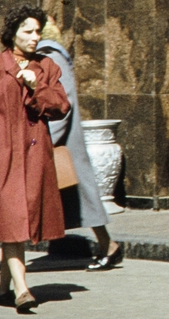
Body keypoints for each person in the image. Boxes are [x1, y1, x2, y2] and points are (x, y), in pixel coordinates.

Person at [0, 4, 71, 313]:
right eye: (27, 31)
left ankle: (2, 288)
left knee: (20, 219)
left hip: (35, 154)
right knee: (12, 219)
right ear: (12, 34)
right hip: (2, 155)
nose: (34, 37)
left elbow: (60, 107)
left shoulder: (47, 67)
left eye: (38, 31)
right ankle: (22, 289)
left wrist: (36, 87)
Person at [38, 18, 123, 272]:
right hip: (52, 142)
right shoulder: (42, 56)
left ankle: (109, 245)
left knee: (24, 200)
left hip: (56, 143)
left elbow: (63, 104)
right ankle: (109, 246)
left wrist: (43, 139)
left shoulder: (51, 56)